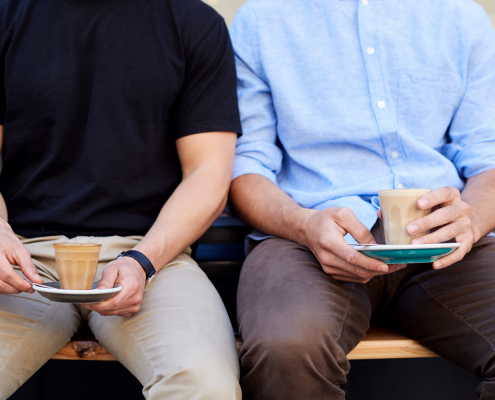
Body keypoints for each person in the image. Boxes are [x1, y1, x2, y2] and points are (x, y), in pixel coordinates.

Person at [228, 0, 495, 399]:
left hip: (448, 244)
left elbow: (488, 155)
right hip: (304, 239)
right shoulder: (260, 18)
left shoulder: (461, 15)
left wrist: (471, 220)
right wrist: (303, 224)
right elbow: (243, 167)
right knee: (287, 349)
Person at [0, 0, 242, 399]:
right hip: (22, 257)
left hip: (150, 257)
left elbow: (209, 175)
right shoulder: (8, 15)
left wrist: (143, 261)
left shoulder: (194, 23)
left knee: (203, 383)